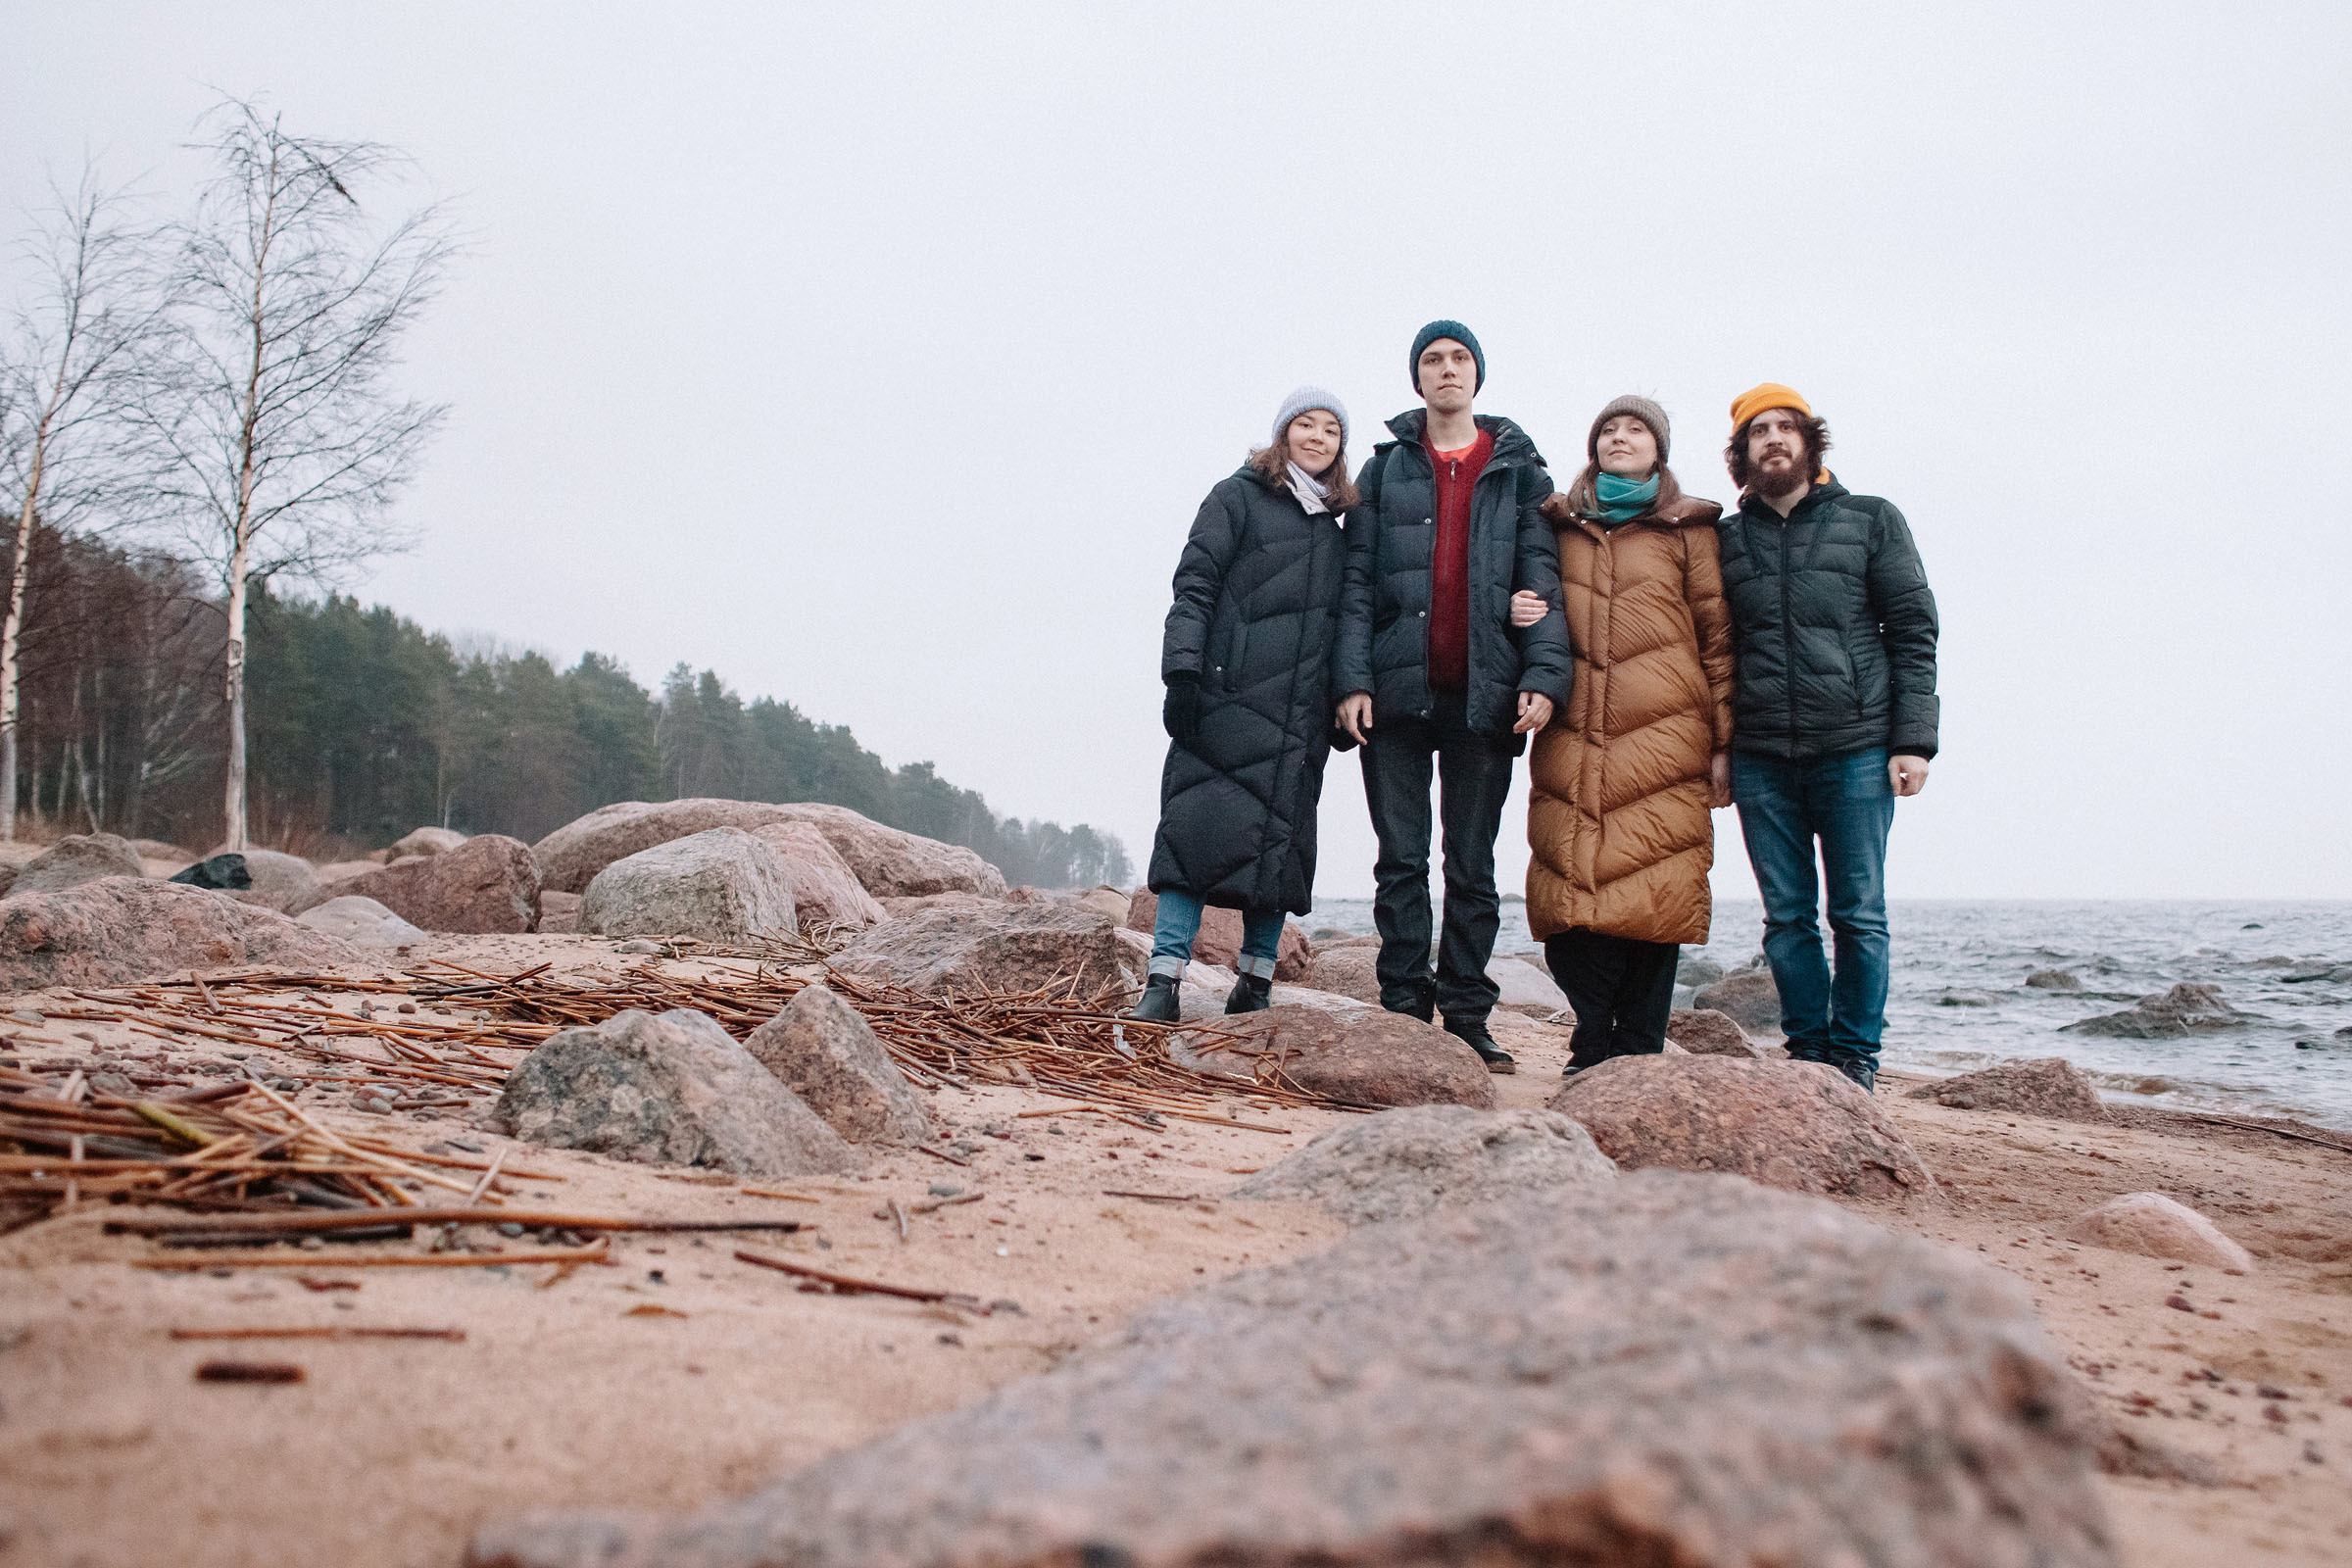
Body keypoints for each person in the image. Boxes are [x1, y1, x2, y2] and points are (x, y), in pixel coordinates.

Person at [1333, 321, 1571, 1072]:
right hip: (1397, 699)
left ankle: (1468, 1014)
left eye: (1458, 359)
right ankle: (1404, 1006)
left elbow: (1543, 580)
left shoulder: (1521, 473)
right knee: (1400, 860)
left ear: (1477, 375)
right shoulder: (1383, 472)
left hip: (1486, 697)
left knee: (1471, 865)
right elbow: (1356, 586)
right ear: (1417, 380)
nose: (1445, 370)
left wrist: (1540, 677)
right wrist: (1352, 682)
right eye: (1431, 361)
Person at [1714, 383, 1939, 1091]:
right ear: (1741, 453)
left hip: (1858, 748)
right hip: (1759, 756)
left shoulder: (1871, 520)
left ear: (1811, 442)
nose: (1773, 439)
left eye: (1786, 427)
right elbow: (1710, 654)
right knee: (1786, 918)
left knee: (1859, 915)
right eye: (1758, 431)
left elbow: (1912, 633)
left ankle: (1857, 1061)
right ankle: (1809, 1055)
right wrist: (1717, 751)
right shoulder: (1722, 540)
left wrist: (1914, 741)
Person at [1506, 396, 1733, 1073]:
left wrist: (1724, 744)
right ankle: (1592, 1033)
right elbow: (1525, 594)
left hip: (1668, 735)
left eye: (1635, 430)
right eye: (1609, 429)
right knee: (1566, 895)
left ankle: (1633, 1049)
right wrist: (1515, 607)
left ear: (1659, 448)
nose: (1620, 438)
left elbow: (1718, 641)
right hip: (1575, 727)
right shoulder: (1559, 524)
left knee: (1656, 899)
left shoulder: (1689, 530)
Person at [1131, 387, 1357, 1022]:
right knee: (1192, 841)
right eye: (1305, 424)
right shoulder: (1234, 498)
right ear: (1282, 433)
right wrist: (1182, 673)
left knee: (1277, 857)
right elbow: (1194, 585)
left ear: (1341, 449)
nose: (1317, 437)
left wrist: (1340, 706)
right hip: (1223, 704)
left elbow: (1346, 627)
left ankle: (1254, 986)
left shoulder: (1336, 537)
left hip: (1298, 723)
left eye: (1331, 430)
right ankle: (1162, 982)